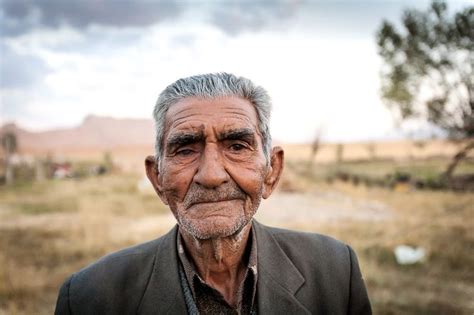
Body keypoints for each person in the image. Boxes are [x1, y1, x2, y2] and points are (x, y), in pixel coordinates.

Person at [55, 73, 372, 314]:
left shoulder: (334, 271)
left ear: (271, 171)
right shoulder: (89, 297)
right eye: (185, 150)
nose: (211, 175)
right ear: (157, 179)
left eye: (237, 146)